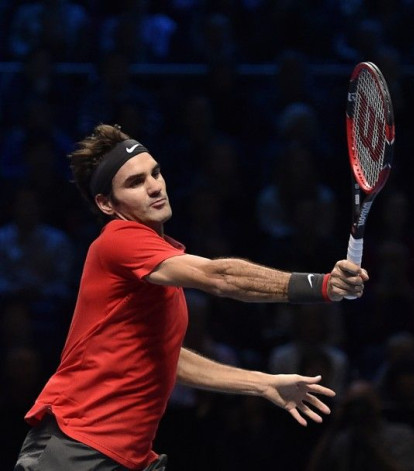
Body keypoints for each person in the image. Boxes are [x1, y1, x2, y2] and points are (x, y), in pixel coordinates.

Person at [14, 123, 369, 471]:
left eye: (155, 173)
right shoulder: (118, 240)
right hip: (75, 449)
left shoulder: (157, 266)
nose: (154, 187)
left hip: (126, 457)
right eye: (136, 183)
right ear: (107, 203)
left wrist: (263, 383)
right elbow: (220, 276)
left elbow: (166, 357)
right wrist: (322, 285)